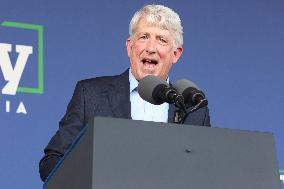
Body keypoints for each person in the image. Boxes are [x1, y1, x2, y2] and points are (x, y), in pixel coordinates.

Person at [39, 4, 211, 182]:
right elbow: (52, 162)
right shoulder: (90, 95)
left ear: (176, 54)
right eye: (144, 37)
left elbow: (208, 173)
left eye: (162, 40)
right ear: (129, 47)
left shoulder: (193, 109)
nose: (151, 48)